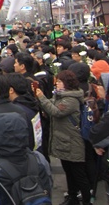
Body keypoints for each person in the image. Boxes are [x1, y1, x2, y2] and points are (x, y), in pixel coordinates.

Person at [35, 70, 92, 205]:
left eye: (60, 81)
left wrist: (42, 97)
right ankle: (72, 197)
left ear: (67, 83)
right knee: (68, 171)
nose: (57, 84)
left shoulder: (71, 99)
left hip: (72, 141)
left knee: (78, 174)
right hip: (64, 140)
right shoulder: (60, 95)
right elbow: (51, 105)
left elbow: (56, 111)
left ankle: (86, 200)